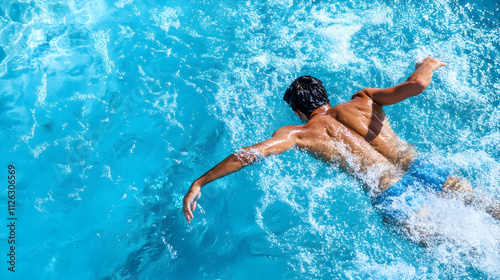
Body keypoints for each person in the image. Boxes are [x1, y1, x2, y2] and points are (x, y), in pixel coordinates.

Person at [182, 57, 499, 228]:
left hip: (390, 192)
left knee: (455, 247)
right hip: (419, 166)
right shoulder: (365, 99)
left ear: (297, 111)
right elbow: (416, 84)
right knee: (487, 206)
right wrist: (427, 64)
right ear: (325, 96)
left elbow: (249, 154)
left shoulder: (298, 133)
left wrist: (200, 181)